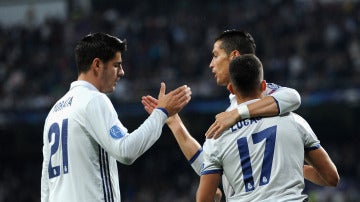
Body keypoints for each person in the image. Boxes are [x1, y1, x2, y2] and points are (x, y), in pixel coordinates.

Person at [141, 29, 301, 198]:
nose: (211, 64)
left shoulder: (266, 94)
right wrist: (174, 123)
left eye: (216, 55)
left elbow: (294, 97)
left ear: (234, 56)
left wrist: (238, 113)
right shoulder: (229, 113)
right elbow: (209, 164)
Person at [40, 32, 192, 202]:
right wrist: (161, 113)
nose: (122, 72)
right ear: (97, 64)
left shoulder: (54, 112)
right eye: (116, 65)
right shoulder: (93, 100)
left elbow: (46, 182)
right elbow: (126, 150)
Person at [196, 54, 339, 202]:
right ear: (264, 86)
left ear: (231, 89)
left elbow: (203, 199)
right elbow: (331, 178)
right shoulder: (295, 121)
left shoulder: (217, 134)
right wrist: (296, 168)